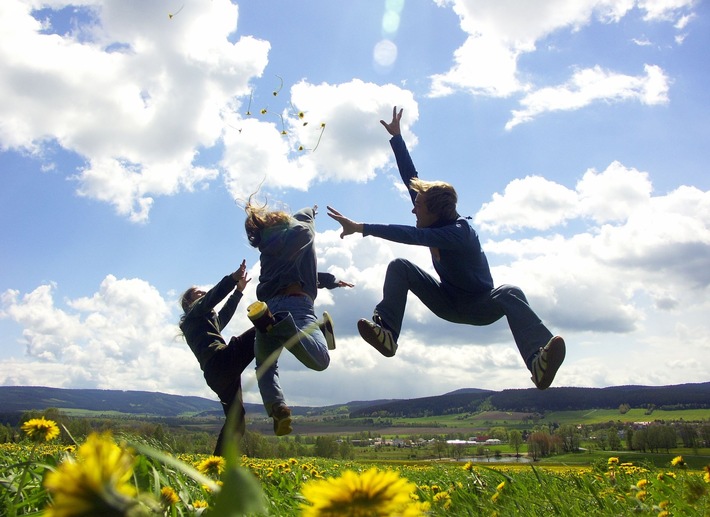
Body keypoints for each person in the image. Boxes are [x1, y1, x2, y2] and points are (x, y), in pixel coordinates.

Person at [327, 106, 566, 390]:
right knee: (399, 267)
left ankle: (538, 362)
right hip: (446, 301)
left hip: (480, 306)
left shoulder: (459, 233)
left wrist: (362, 227)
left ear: (436, 213)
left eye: (418, 207)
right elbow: (411, 178)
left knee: (511, 292)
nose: (413, 211)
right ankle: (388, 334)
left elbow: (409, 236)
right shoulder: (431, 216)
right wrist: (397, 138)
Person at [244, 197, 340, 436]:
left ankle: (278, 408)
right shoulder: (300, 231)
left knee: (265, 367)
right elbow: (304, 218)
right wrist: (313, 211)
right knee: (321, 360)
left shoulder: (268, 249)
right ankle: (288, 328)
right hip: (296, 307)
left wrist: (332, 281)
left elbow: (306, 273)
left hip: (267, 308)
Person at [179, 260, 255, 456]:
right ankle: (311, 329)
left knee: (236, 422)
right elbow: (211, 298)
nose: (203, 294)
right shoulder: (193, 316)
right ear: (189, 303)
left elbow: (224, 316)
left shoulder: (204, 323)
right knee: (265, 324)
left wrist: (238, 291)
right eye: (198, 293)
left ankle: (216, 467)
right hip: (220, 361)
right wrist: (232, 279)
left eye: (203, 292)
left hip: (217, 375)